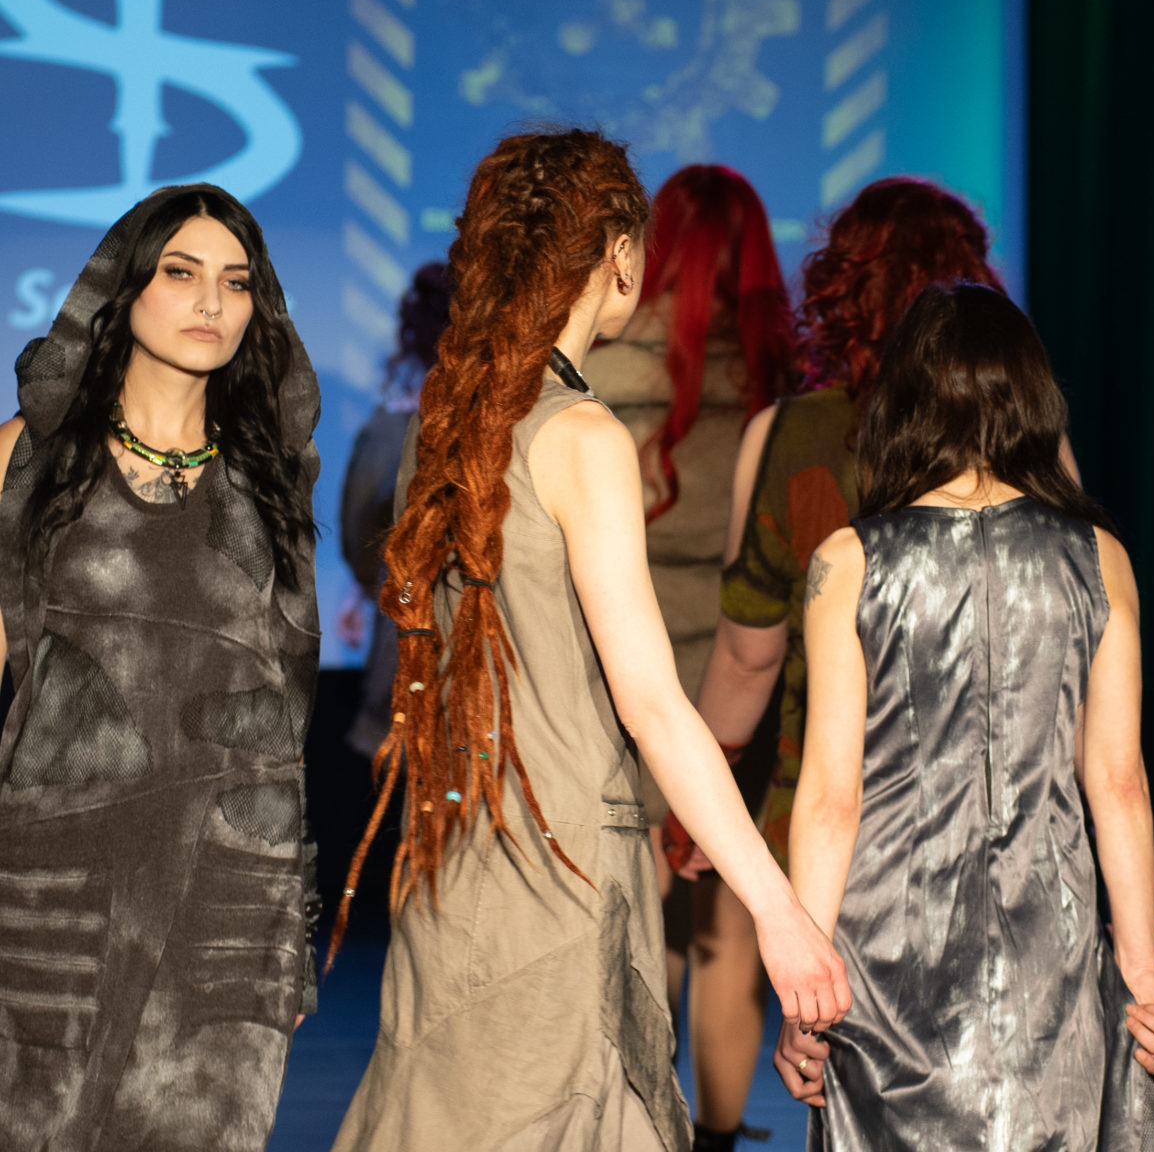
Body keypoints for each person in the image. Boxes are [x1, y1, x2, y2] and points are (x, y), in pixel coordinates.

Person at [327, 129, 849, 1152]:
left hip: (454, 854)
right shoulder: (580, 435)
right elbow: (651, 704)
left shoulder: (448, 420)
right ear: (617, 253)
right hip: (560, 857)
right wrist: (778, 909)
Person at [775, 282, 1154, 1149]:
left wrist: (804, 996)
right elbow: (1118, 783)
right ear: (1033, 400)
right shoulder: (1098, 556)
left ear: (901, 403)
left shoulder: (850, 562)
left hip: (886, 971)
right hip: (1052, 963)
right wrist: (1143, 973)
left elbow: (831, 797)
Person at [676, 177, 1003, 1151]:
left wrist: (698, 788)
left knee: (748, 955)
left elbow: (747, 654)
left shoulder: (790, 433)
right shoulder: (1022, 441)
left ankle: (715, 1135)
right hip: (988, 802)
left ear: (841, 288)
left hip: (823, 793)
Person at [0, 184, 321, 1150]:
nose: (211, 302)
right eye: (181, 273)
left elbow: (283, 707)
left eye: (236, 282)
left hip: (231, 886)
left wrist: (286, 910)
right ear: (124, 288)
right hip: (54, 879)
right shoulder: (27, 461)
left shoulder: (271, 481)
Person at [581, 164, 795, 1137]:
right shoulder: (781, 390)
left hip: (627, 685)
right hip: (744, 686)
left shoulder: (599, 375)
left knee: (646, 918)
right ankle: (713, 1138)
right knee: (730, 930)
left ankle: (643, 1125)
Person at [336, 261, 451, 763]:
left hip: (408, 654)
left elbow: (359, 532)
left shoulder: (394, 431)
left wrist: (370, 582)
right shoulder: (523, 424)